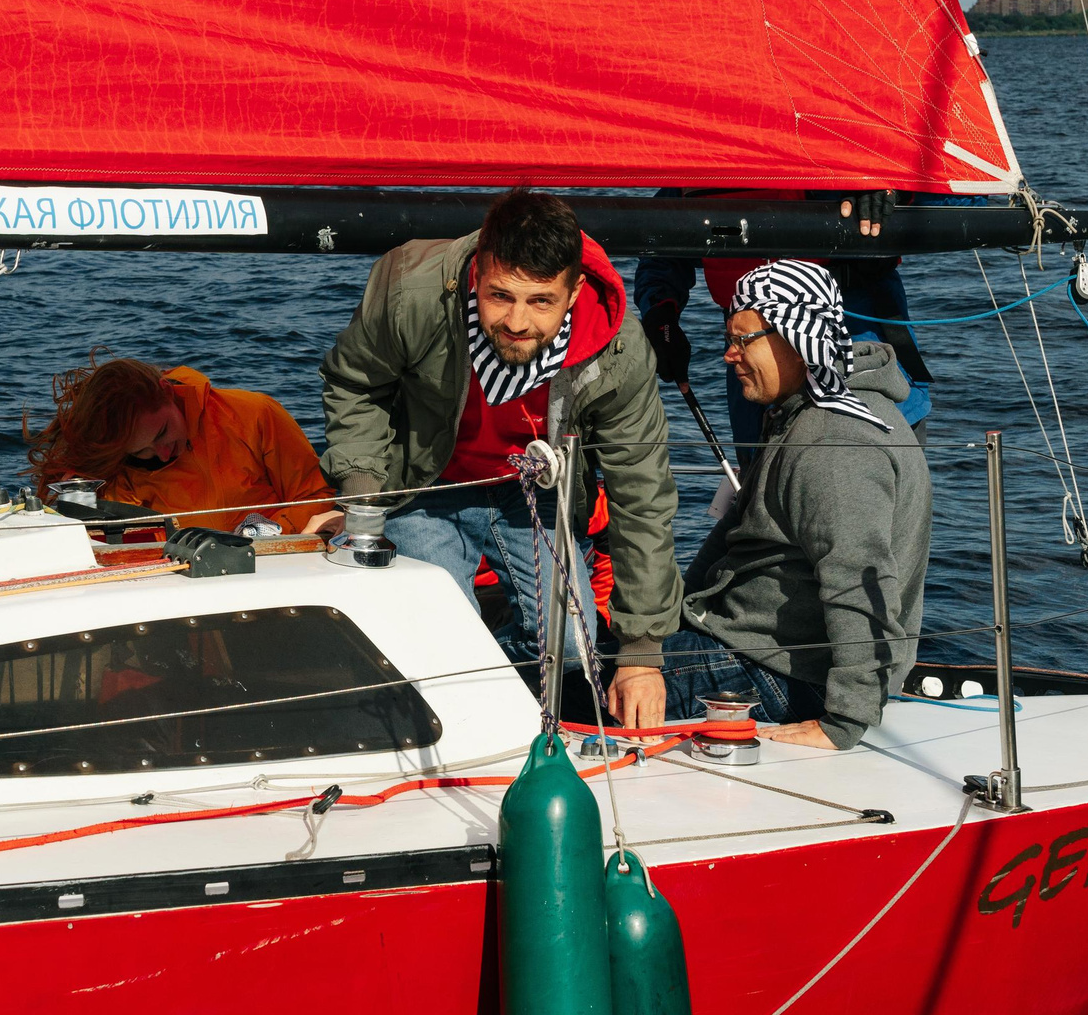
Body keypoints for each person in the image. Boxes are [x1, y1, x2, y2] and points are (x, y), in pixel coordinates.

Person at [315, 187, 679, 726]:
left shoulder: (619, 348)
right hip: (426, 488)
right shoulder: (409, 289)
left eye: (541, 302)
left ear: (576, 291)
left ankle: (517, 714)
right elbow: (355, 384)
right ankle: (455, 716)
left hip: (530, 495)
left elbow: (642, 493)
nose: (516, 322)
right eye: (500, 295)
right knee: (445, 647)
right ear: (476, 272)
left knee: (575, 647)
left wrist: (643, 652)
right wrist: (365, 494)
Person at [660, 259, 932, 750]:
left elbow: (859, 578)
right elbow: (734, 534)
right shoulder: (805, 413)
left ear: (796, 336)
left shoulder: (833, 441)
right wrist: (676, 619)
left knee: (550, 686)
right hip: (752, 647)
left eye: (744, 340)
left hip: (782, 674)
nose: (729, 355)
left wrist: (843, 721)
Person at [636, 191, 938, 449]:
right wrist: (659, 313)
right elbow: (660, 239)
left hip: (854, 346)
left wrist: (895, 191)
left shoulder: (843, 137)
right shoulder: (700, 155)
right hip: (754, 369)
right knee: (764, 486)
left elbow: (967, 186)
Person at [26, 358, 334, 534]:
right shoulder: (107, 464)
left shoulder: (254, 414)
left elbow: (317, 496)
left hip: (267, 571)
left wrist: (264, 534)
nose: (160, 453)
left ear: (165, 391)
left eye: (162, 432)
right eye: (141, 451)